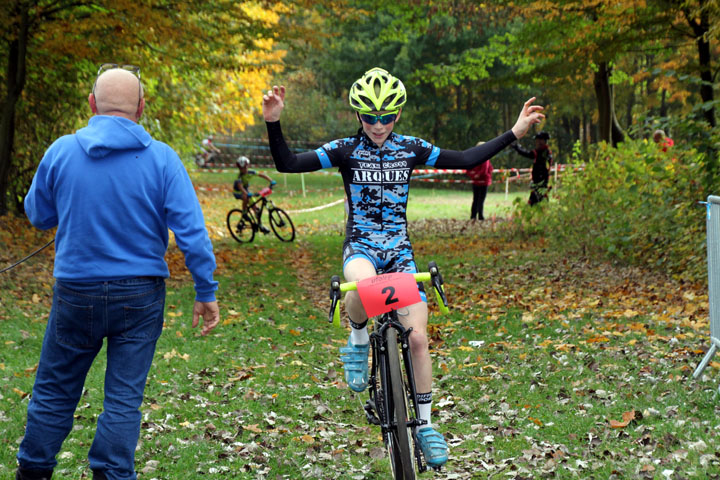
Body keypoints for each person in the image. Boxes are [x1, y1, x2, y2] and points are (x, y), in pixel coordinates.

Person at [262, 67, 544, 468]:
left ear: (398, 115)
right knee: (361, 287)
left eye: (387, 117)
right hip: (361, 248)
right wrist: (273, 121)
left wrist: (515, 133)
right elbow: (288, 163)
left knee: (417, 340)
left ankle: (425, 425)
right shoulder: (344, 150)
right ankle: (359, 339)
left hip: (400, 253)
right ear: (358, 115)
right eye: (370, 117)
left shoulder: (410, 148)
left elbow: (465, 158)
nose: (378, 125)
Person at [17, 64, 220, 480]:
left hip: (76, 291)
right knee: (124, 399)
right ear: (142, 109)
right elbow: (193, 235)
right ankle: (112, 473)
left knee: (55, 390)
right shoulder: (162, 159)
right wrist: (205, 290)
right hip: (140, 296)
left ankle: (34, 470)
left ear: (91, 105)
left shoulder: (61, 151)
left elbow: (38, 214)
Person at [512, 131, 553, 206]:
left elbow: (529, 154)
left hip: (540, 179)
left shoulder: (543, 151)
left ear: (542, 141)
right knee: (539, 197)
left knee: (538, 197)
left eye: (538, 140)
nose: (536, 143)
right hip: (539, 179)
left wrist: (518, 148)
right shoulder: (545, 151)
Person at [466, 143, 492, 221]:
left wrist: (473, 175)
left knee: (476, 199)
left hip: (477, 181)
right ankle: (479, 216)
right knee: (480, 200)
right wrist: (476, 175)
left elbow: (468, 168)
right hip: (483, 182)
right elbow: (485, 170)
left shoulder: (474, 157)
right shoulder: (485, 157)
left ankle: (474, 216)